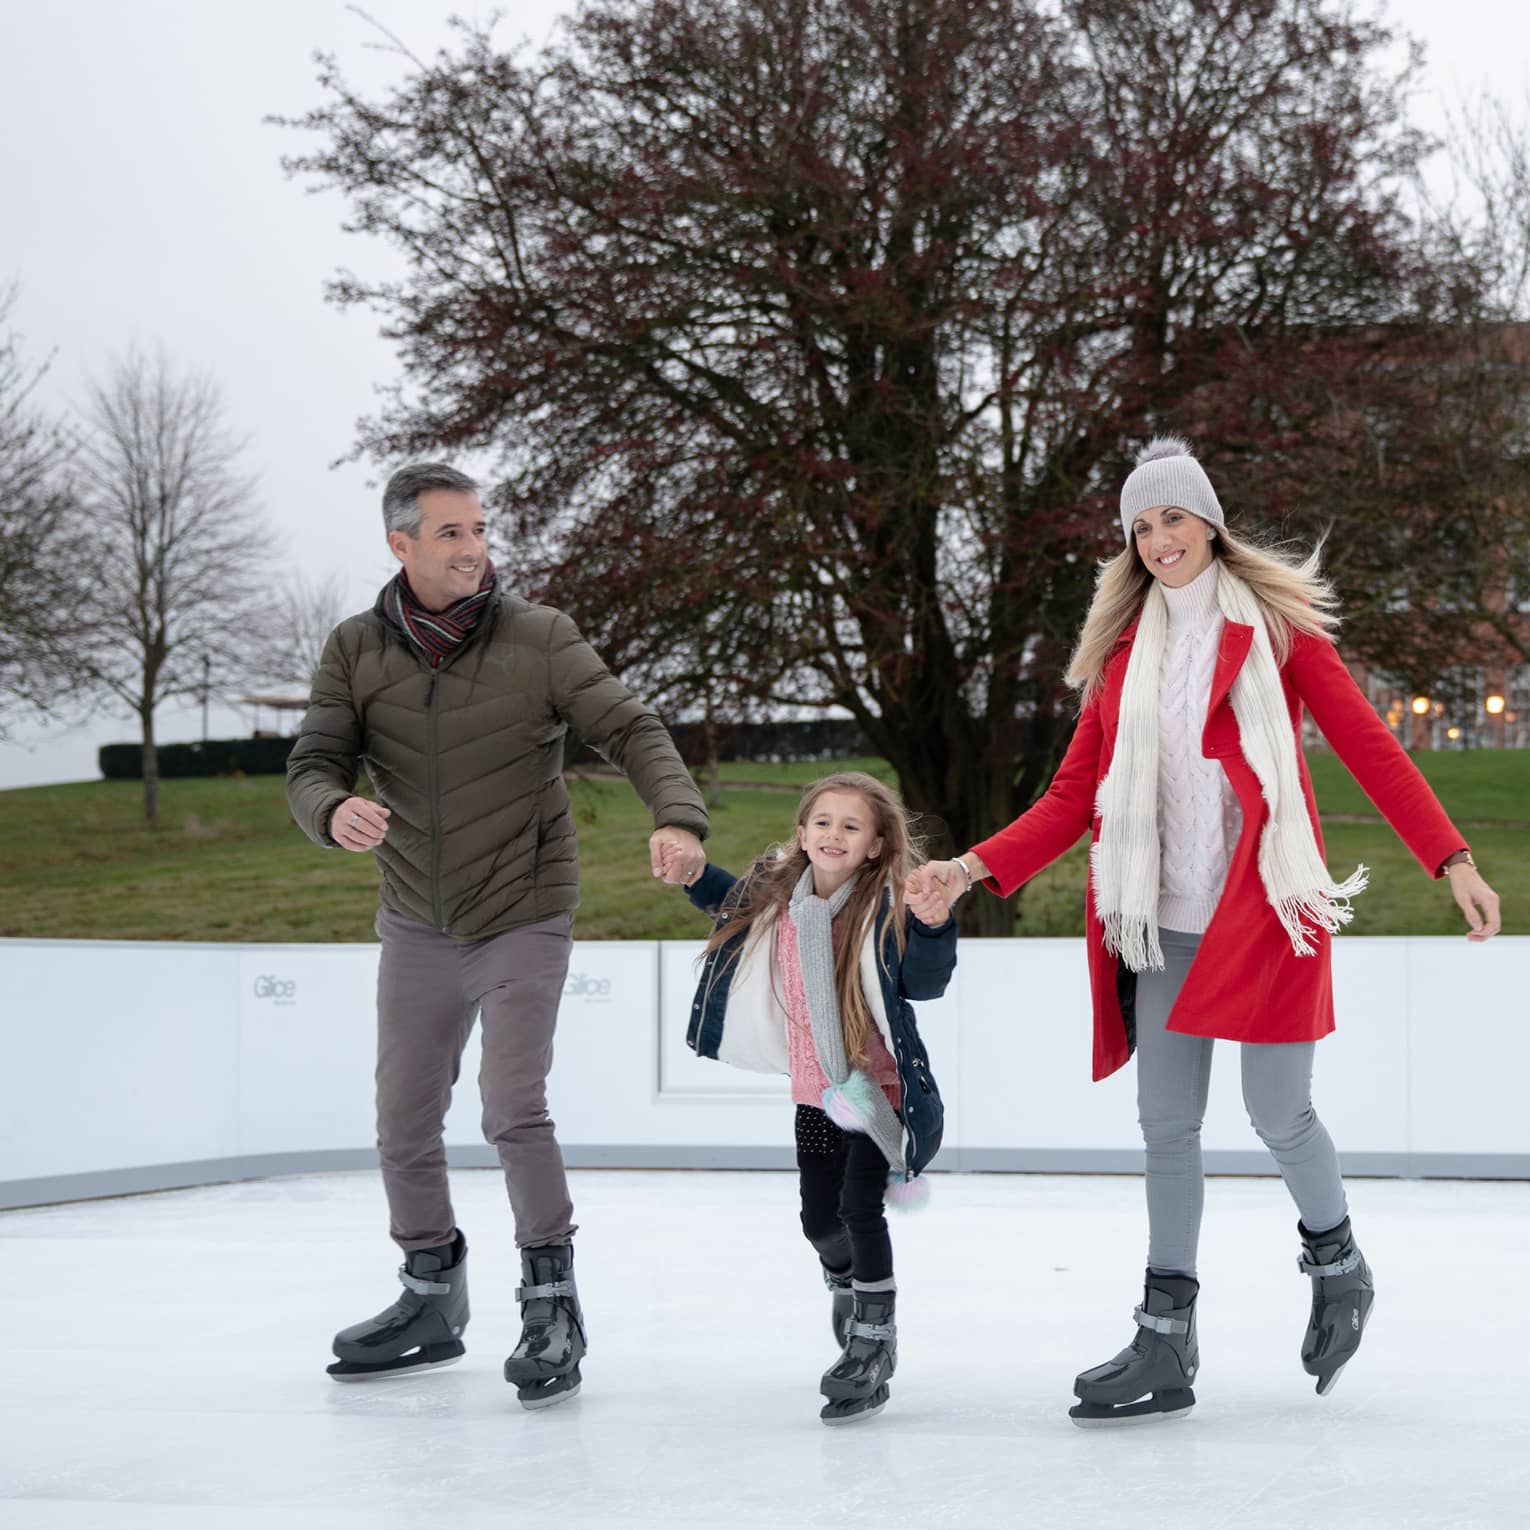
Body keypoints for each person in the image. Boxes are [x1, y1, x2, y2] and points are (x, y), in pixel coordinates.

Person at [910, 436, 1501, 1426]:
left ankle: (1339, 1263)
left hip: (1267, 910)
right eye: (1140, 528)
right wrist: (968, 869)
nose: (1156, 541)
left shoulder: (1276, 632)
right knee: (1167, 1127)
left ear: (1209, 523)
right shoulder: (1121, 658)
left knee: (1280, 1116)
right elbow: (1069, 799)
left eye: (1172, 519)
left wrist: (1452, 858)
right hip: (1161, 922)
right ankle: (1166, 1337)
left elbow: (1368, 745)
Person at [286, 462, 708, 1407]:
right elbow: (314, 760)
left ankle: (551, 1297)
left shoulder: (540, 638)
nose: (475, 547)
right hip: (416, 915)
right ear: (401, 545)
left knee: (512, 1104)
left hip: (523, 901)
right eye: (451, 534)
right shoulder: (356, 649)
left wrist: (678, 818)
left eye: (479, 529)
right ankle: (430, 1291)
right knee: (402, 1116)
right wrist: (330, 808)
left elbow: (632, 728)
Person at [661, 771, 954, 1425]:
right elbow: (723, 898)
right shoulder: (778, 898)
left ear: (876, 845)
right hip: (814, 1092)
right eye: (823, 822)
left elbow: (925, 982)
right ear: (801, 832)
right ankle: (846, 1280)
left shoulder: (884, 908)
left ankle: (875, 1338)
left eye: (852, 826)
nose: (834, 834)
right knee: (820, 1221)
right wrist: (692, 868)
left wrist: (934, 927)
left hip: (877, 1092)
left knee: (858, 1206)